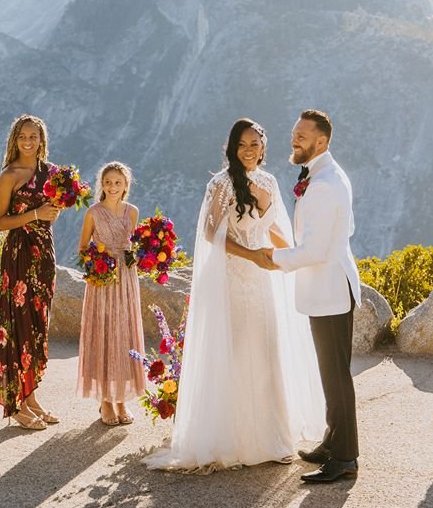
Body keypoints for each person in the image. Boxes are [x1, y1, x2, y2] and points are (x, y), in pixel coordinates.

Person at [148, 118, 324, 471]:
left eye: (255, 144)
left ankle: (271, 439)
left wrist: (294, 257)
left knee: (266, 350)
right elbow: (211, 234)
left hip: (265, 280)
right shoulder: (221, 183)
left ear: (263, 147)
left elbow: (271, 227)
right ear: (232, 147)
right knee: (239, 352)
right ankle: (236, 440)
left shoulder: (269, 181)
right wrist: (252, 256)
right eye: (242, 144)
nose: (249, 150)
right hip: (235, 278)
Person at [255, 110, 362, 484]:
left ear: (322, 141)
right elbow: (344, 229)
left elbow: (315, 251)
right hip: (331, 287)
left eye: (302, 136)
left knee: (336, 377)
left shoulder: (325, 183)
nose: (294, 140)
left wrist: (275, 259)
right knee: (330, 374)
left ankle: (345, 458)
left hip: (330, 290)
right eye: (294, 133)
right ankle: (333, 441)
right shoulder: (325, 175)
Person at [0, 114, 60, 430]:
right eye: (22, 136)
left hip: (44, 253)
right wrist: (35, 214)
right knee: (17, 325)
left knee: (36, 327)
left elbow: (51, 215)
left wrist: (51, 213)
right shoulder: (9, 175)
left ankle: (31, 397)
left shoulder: (52, 173)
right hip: (18, 254)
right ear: (15, 140)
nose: (28, 142)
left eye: (33, 136)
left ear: (42, 139)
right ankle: (16, 404)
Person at [77, 161, 146, 426]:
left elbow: (134, 248)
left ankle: (121, 400)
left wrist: (143, 257)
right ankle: (105, 401)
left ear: (126, 185)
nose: (112, 187)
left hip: (126, 280)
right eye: (108, 182)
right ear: (101, 185)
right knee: (104, 334)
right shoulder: (93, 212)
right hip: (102, 281)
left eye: (118, 182)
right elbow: (83, 248)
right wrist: (99, 260)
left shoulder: (132, 212)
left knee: (123, 334)